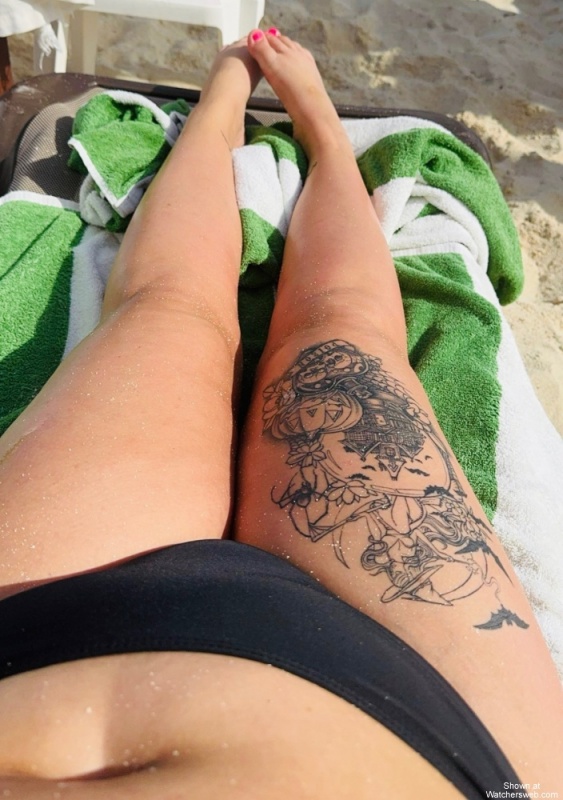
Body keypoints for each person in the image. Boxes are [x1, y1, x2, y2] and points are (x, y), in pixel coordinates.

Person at [0, 28, 561, 799]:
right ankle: (297, 129)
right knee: (341, 322)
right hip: (448, 738)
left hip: (28, 618)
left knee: (169, 306)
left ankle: (253, 115)